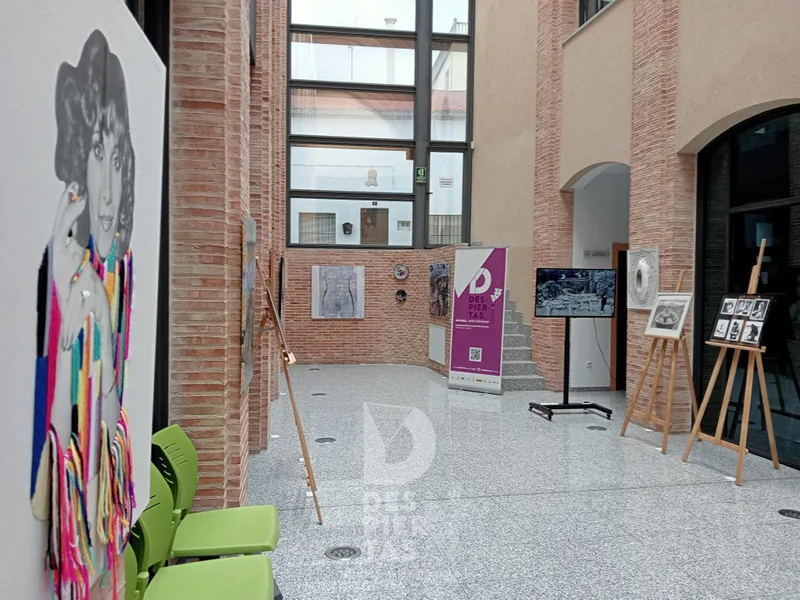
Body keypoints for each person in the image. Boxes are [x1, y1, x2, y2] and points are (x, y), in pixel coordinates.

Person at [31, 30, 136, 524]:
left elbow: (108, 432)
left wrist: (106, 333)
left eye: (117, 158)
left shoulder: (110, 282)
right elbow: (41, 499)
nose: (109, 190)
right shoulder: (57, 274)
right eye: (97, 152)